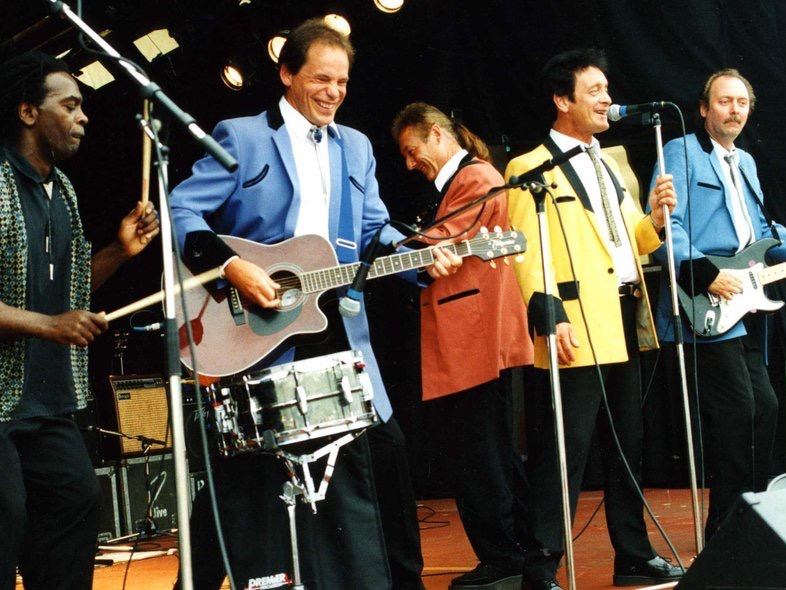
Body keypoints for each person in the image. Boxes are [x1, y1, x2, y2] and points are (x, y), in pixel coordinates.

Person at [169, 18, 459, 590]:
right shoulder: (242, 135)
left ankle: (403, 582)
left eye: (342, 83)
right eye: (320, 79)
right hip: (255, 327)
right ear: (286, 74)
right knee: (246, 470)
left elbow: (375, 229)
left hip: (338, 327)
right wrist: (234, 267)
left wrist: (419, 255)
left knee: (384, 451)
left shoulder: (356, 146)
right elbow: (183, 211)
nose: (333, 93)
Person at [504, 48, 681, 590]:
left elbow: (629, 237)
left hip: (625, 316)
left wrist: (654, 219)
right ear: (562, 100)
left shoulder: (608, 162)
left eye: (607, 89)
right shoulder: (527, 167)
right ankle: (541, 567)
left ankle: (632, 555)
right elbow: (524, 252)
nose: (608, 99)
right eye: (595, 90)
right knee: (565, 453)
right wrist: (548, 314)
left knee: (628, 446)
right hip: (573, 327)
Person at [0, 51, 160, 590]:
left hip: (45, 402)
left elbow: (70, 293)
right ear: (27, 112)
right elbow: (55, 317)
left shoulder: (63, 192)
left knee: (76, 497)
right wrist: (49, 326)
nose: (83, 116)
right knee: (6, 515)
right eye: (69, 105)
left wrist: (119, 249)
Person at [649, 68, 786, 540]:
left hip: (744, 305)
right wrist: (704, 273)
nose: (734, 109)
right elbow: (662, 225)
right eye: (724, 101)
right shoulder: (682, 153)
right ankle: (725, 534)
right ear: (703, 108)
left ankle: (751, 523)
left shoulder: (747, 163)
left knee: (766, 407)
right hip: (703, 302)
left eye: (741, 102)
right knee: (737, 411)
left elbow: (761, 235)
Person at [391, 103, 534, 589]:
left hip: (469, 332)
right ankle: (512, 552)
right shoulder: (463, 180)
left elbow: (444, 238)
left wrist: (392, 245)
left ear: (435, 134)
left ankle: (503, 558)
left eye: (412, 151)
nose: (409, 163)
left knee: (475, 452)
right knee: (488, 448)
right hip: (469, 331)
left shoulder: (475, 178)